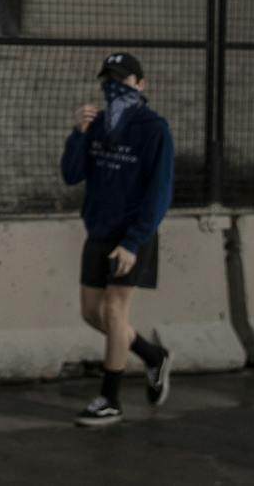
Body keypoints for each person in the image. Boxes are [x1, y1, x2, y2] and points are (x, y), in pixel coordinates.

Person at [62, 51, 176, 427]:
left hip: (132, 234)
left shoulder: (153, 128)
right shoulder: (96, 124)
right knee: (91, 312)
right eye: (108, 80)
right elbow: (71, 174)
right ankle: (152, 354)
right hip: (98, 228)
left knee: (114, 311)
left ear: (141, 85)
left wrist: (134, 240)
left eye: (124, 80)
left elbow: (159, 192)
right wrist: (77, 133)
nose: (115, 87)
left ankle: (110, 399)